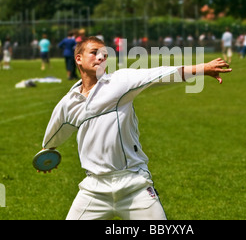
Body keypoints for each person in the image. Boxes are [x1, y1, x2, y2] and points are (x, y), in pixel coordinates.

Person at [39, 36, 232, 220]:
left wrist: (202, 69)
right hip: (94, 189)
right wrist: (46, 155)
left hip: (133, 185)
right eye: (94, 52)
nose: (101, 57)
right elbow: (56, 132)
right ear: (78, 59)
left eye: (105, 54)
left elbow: (159, 74)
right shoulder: (69, 102)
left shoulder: (119, 82)